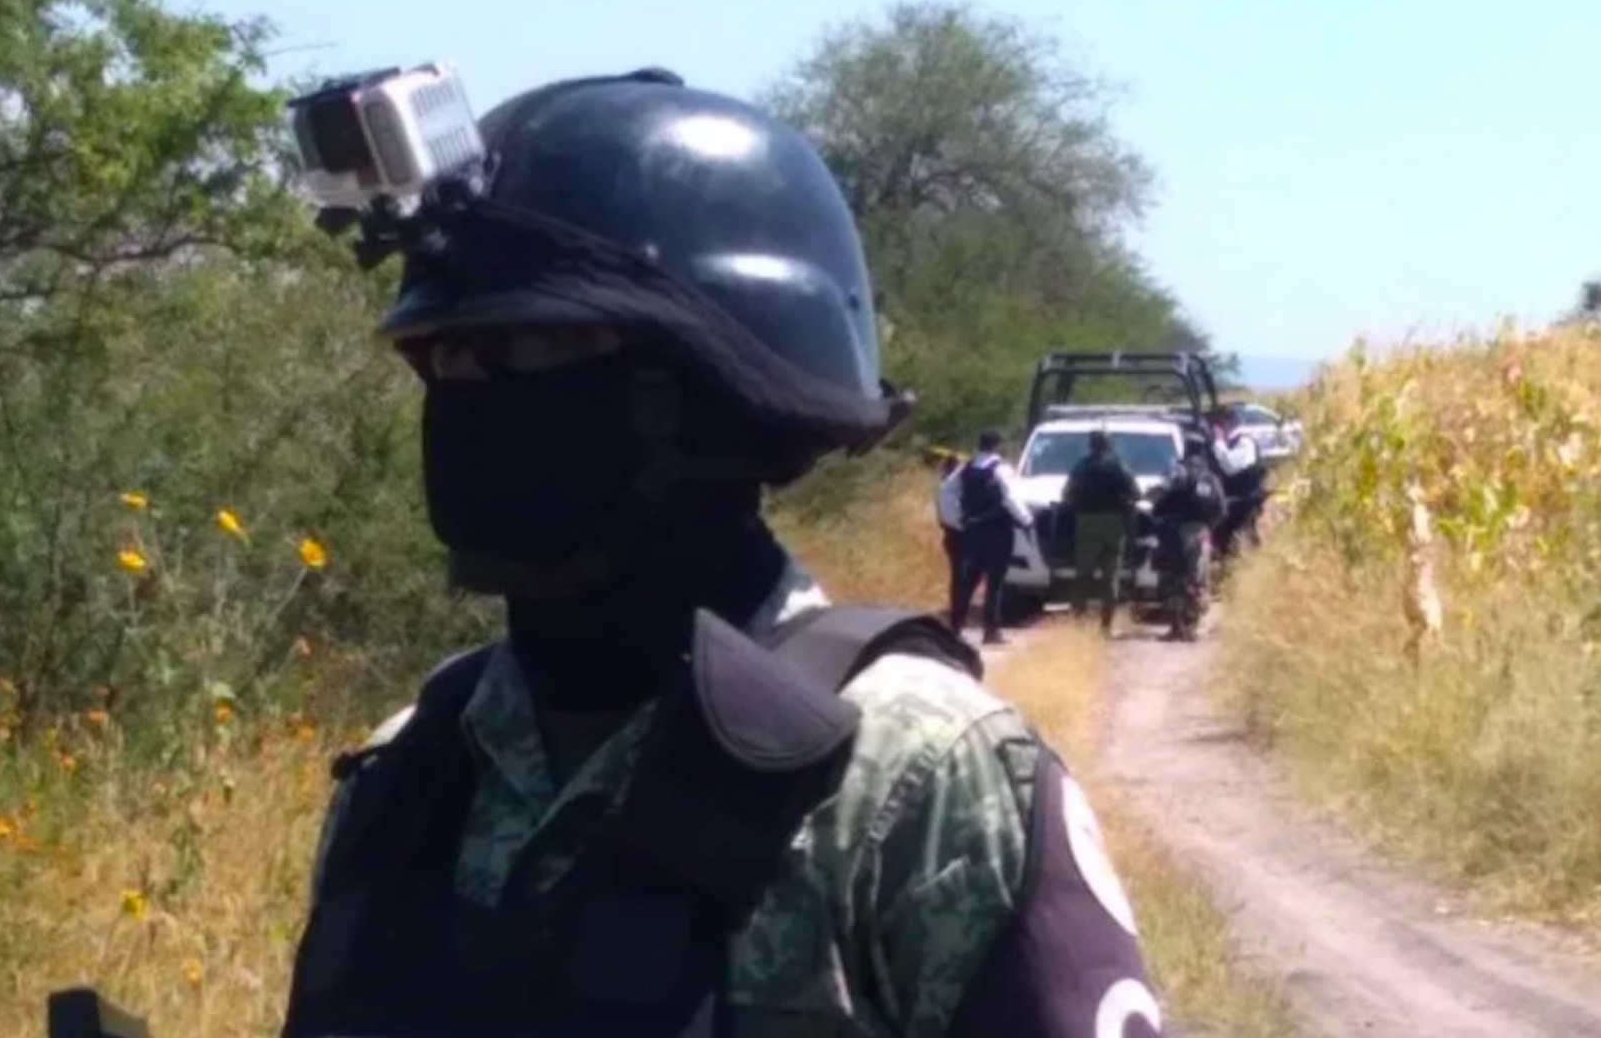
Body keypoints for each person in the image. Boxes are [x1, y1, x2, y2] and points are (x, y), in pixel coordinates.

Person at [277, 67, 1163, 1038]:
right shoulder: (411, 772)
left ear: (709, 393)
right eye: (446, 361)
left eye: (531, 352)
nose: (469, 399)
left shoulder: (913, 776)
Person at [944, 429, 1034, 645]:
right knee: (995, 582)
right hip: (998, 531)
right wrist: (1027, 521)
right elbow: (1010, 497)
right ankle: (991, 631)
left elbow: (945, 492)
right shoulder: (1001, 469)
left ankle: (955, 628)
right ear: (997, 445)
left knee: (969, 581)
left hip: (972, 533)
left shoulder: (965, 468)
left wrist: (957, 521)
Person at [1060, 429, 1142, 635]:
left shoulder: (1081, 467)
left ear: (1091, 445)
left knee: (1083, 575)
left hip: (1086, 522)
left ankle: (1079, 624)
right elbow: (1136, 493)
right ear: (1109, 445)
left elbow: (1066, 494)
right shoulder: (1119, 466)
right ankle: (1106, 626)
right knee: (1110, 576)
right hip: (1114, 523)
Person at [1149, 453, 1226, 642]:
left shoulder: (1177, 474)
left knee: (1173, 578)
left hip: (1173, 533)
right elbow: (1221, 510)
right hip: (1199, 532)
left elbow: (1159, 506)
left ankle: (1176, 626)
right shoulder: (1210, 479)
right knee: (1196, 579)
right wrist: (1208, 527)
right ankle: (1191, 626)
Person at [1207, 407, 1268, 560]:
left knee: (1242, 544)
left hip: (1245, 504)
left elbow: (1230, 466)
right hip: (1231, 505)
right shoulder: (1229, 445)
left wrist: (1219, 441)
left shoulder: (1244, 442)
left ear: (1225, 425)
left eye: (1215, 426)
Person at [934, 451, 967, 621]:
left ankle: (958, 610)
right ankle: (959, 612)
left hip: (949, 535)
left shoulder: (942, 486)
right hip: (958, 535)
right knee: (962, 576)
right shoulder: (949, 488)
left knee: (957, 576)